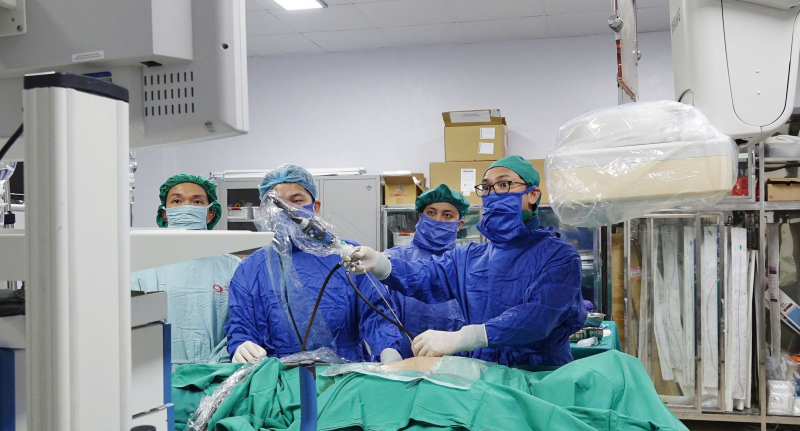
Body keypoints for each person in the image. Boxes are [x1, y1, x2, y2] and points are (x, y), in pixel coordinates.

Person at [349, 156, 586, 367]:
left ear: (533, 194)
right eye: (486, 187)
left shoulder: (559, 256)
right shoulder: (469, 257)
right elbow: (424, 276)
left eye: (504, 184)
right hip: (484, 374)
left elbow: (538, 317)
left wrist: (464, 338)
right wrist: (380, 263)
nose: (493, 193)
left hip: (539, 376)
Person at [225, 163, 403, 364]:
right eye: (277, 203)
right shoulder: (250, 268)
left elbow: (377, 315)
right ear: (265, 211)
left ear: (315, 208)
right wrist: (241, 344)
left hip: (344, 372)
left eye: (297, 201)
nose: (287, 210)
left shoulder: (348, 255)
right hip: (278, 374)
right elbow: (241, 323)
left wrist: (388, 348)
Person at [131, 174, 240, 368]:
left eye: (197, 202)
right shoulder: (141, 267)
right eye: (177, 201)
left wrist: (215, 367)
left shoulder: (232, 267)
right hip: (156, 372)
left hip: (215, 371)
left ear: (210, 214)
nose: (186, 207)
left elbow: (241, 324)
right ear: (165, 214)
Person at [386, 184, 469, 358]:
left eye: (447, 215)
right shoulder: (394, 259)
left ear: (459, 224)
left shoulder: (466, 263)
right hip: (404, 357)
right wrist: (389, 351)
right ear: (420, 217)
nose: (438, 220)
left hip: (453, 360)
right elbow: (380, 316)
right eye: (431, 213)